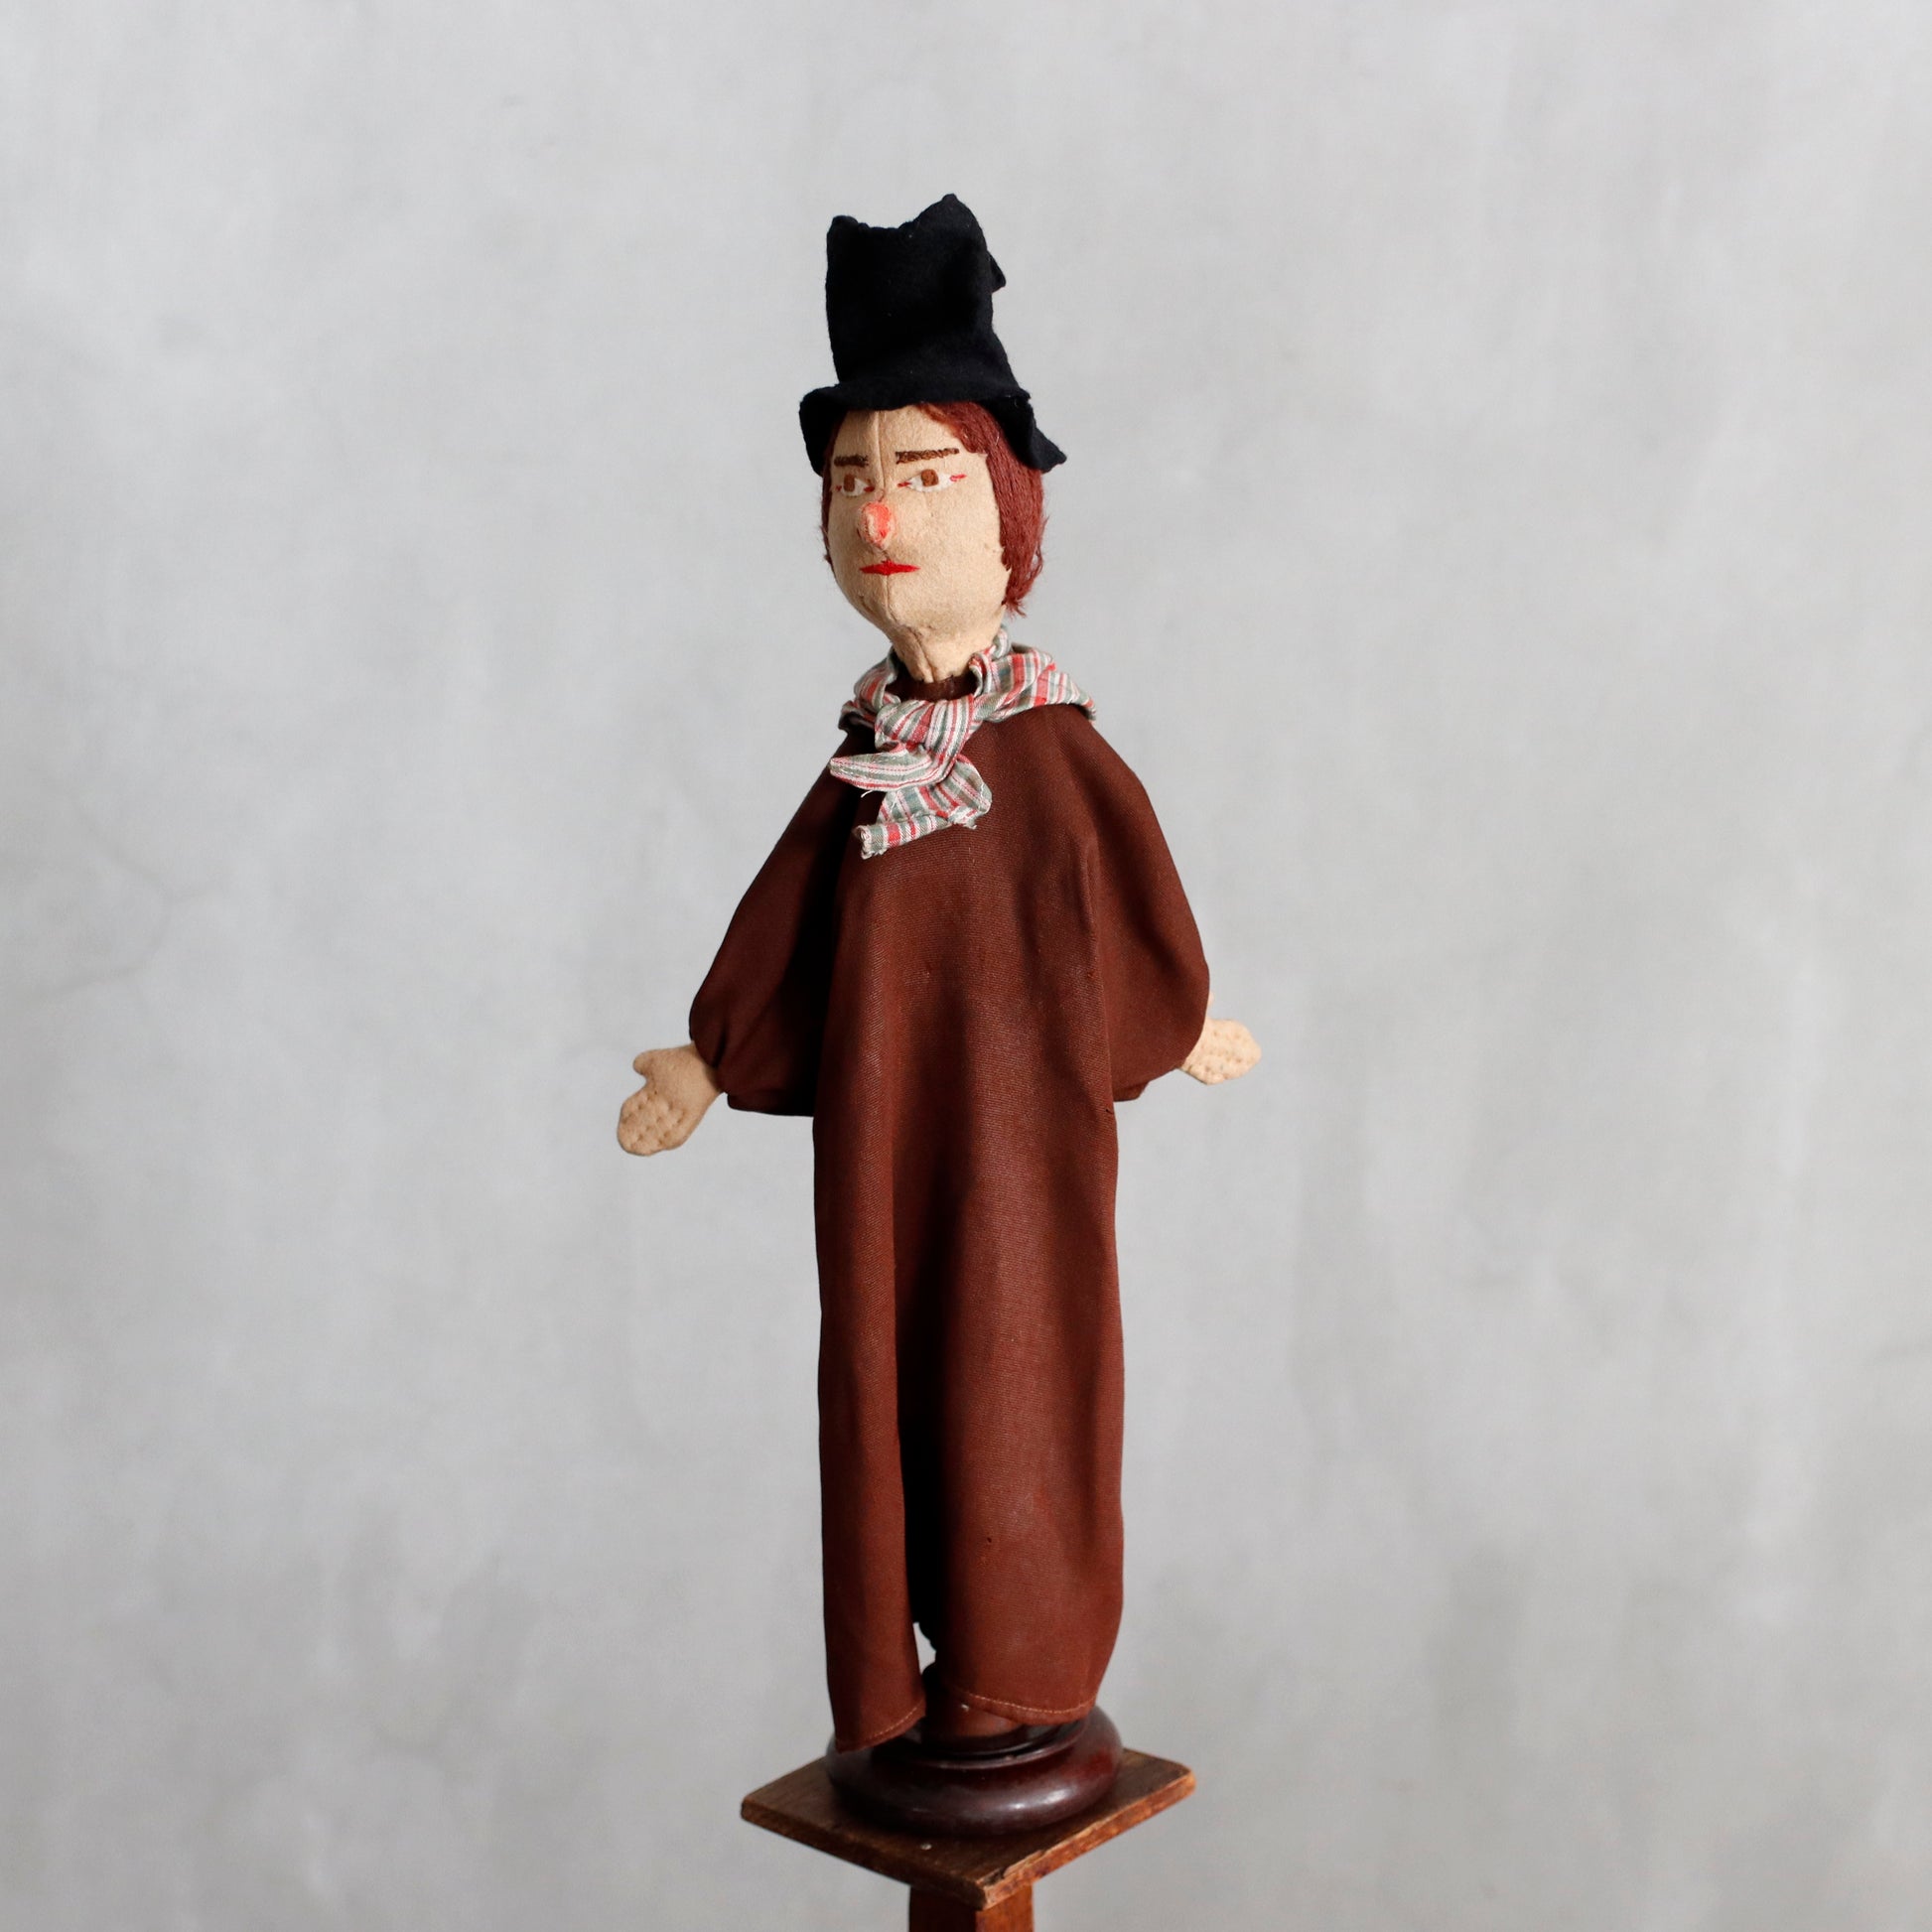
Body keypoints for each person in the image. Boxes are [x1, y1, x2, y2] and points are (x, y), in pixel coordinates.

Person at [619, 199, 1258, 1756]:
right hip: (883, 1161)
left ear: (1005, 512)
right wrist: (710, 1054)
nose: (879, 510)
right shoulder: (864, 768)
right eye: (851, 479)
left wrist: (1174, 1024)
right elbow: (790, 925)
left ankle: (1016, 1670)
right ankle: (904, 1680)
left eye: (920, 473)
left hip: (1023, 1164)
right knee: (891, 1391)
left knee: (1016, 1387)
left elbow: (1137, 920)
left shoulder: (1057, 756)